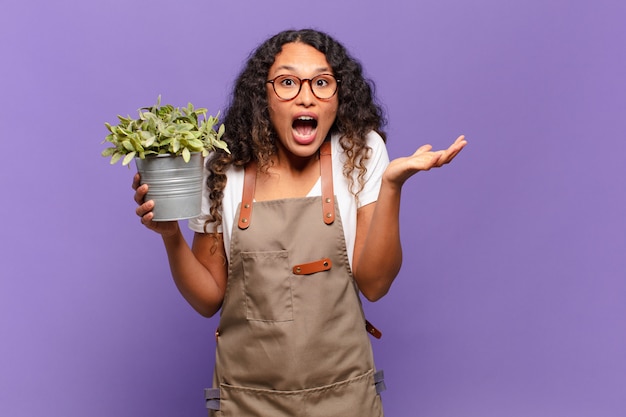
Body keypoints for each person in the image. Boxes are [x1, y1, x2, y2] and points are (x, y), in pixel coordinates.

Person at [133, 29, 466, 417]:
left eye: (322, 83)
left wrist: (392, 185)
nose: (306, 96)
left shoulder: (360, 152)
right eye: (287, 82)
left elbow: (375, 285)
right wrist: (170, 235)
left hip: (345, 397)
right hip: (246, 401)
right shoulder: (222, 167)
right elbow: (208, 299)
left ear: (339, 96)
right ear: (264, 96)